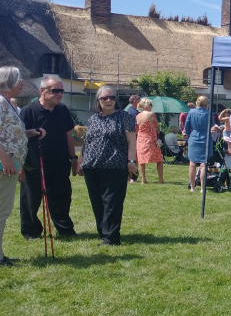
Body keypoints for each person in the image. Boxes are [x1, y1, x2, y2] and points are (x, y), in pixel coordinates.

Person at [19, 76, 80, 240]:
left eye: (61, 91)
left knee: (62, 196)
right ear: (42, 91)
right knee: (31, 198)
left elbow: (69, 134)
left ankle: (64, 228)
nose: (59, 94)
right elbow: (19, 137)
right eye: (55, 91)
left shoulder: (63, 110)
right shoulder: (28, 111)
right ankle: (31, 231)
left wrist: (73, 157)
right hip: (34, 162)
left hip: (60, 161)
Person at [79, 85, 137, 246]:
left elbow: (132, 141)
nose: (108, 100)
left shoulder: (124, 117)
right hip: (91, 166)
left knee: (112, 202)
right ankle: (103, 232)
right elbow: (87, 142)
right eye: (104, 98)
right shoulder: (93, 119)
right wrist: (80, 161)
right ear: (98, 101)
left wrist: (131, 161)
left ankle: (112, 237)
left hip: (115, 165)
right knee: (97, 201)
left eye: (111, 97)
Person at [0, 67, 46, 265]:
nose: (22, 84)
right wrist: (6, 160)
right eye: (18, 80)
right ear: (7, 81)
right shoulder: (1, 102)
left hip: (10, 164)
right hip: (4, 164)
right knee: (2, 210)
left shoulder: (7, 103)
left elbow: (9, 133)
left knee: (3, 210)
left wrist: (29, 133)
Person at [184, 95, 212, 192]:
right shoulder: (208, 113)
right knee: (203, 164)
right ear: (206, 104)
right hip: (205, 138)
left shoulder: (191, 112)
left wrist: (187, 133)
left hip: (194, 137)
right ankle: (202, 188)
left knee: (192, 163)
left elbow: (186, 126)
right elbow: (212, 126)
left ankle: (192, 187)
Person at [135, 98, 164, 184]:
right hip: (150, 138)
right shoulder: (151, 114)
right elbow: (156, 125)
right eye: (151, 104)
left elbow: (137, 129)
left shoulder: (137, 116)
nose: (152, 106)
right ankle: (161, 179)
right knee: (159, 159)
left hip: (140, 139)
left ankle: (143, 179)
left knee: (141, 160)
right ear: (146, 105)